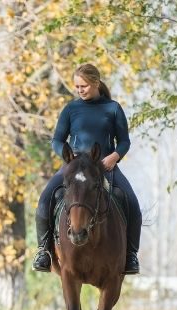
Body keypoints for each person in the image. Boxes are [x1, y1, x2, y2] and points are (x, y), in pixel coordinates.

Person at [31, 63, 141, 275]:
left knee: (131, 202)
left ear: (96, 83)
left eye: (84, 86)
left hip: (104, 166)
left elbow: (124, 141)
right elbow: (56, 140)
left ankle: (130, 255)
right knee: (45, 200)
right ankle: (43, 251)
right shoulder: (71, 109)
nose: (80, 90)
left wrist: (115, 156)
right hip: (74, 167)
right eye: (77, 87)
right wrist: (68, 156)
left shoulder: (113, 108)